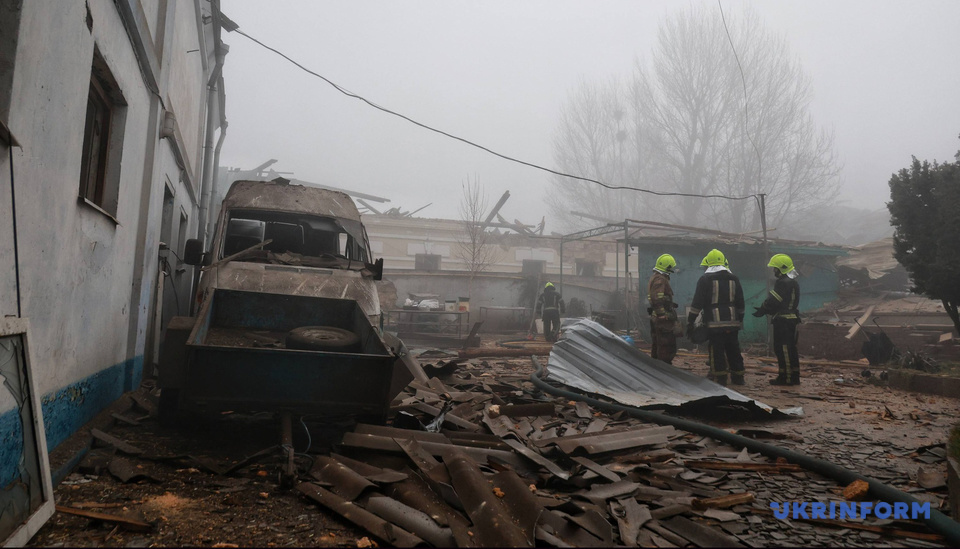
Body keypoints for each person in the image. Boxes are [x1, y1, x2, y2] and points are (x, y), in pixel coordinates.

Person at [687, 249, 746, 386]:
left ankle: (721, 379)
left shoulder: (705, 279)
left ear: (708, 263)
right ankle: (738, 378)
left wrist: (690, 321)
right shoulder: (734, 278)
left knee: (716, 350)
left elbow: (697, 303)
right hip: (733, 322)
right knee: (733, 349)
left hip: (714, 324)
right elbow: (740, 302)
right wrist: (740, 319)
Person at [753, 254, 802, 385]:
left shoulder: (782, 283)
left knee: (783, 349)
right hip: (792, 320)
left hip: (783, 321)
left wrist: (763, 309)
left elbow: (773, 301)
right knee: (791, 349)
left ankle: (786, 378)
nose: (774, 271)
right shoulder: (794, 282)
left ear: (781, 268)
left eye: (775, 268)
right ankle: (794, 376)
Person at [647, 254, 680, 364]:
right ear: (667, 267)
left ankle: (656, 367)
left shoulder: (656, 277)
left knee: (658, 344)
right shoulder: (660, 279)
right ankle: (664, 367)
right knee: (666, 344)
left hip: (657, 316)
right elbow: (657, 297)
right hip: (662, 319)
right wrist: (661, 314)